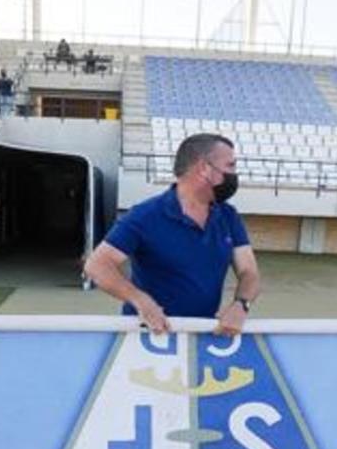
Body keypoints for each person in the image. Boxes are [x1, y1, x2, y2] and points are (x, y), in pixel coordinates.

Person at [84, 133, 260, 336]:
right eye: (230, 166)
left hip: (201, 335)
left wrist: (241, 305)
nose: (234, 174)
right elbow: (97, 265)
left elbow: (249, 272)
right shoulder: (145, 216)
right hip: (148, 335)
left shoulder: (228, 216)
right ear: (204, 168)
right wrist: (141, 301)